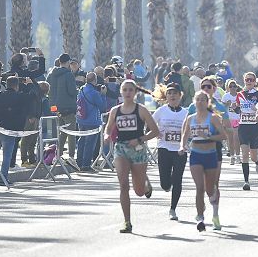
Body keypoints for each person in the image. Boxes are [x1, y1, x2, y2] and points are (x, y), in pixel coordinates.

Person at [104, 80, 160, 234]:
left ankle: (146, 182)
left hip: (138, 149)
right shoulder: (115, 111)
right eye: (125, 90)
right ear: (121, 92)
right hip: (121, 148)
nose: (128, 92)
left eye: (130, 90)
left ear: (135, 92)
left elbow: (155, 131)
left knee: (139, 191)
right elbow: (108, 128)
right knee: (123, 184)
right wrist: (107, 136)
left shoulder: (141, 110)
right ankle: (127, 222)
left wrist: (140, 139)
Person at [180, 90, 227, 232]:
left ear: (207, 103)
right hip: (196, 154)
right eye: (198, 99)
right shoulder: (190, 118)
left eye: (203, 100)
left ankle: (215, 214)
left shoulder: (212, 118)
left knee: (210, 189)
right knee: (199, 187)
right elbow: (185, 135)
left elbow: (223, 136)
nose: (200, 102)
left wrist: (208, 137)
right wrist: (182, 146)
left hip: (211, 154)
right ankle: (200, 217)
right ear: (194, 102)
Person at [152, 85, 188, 221]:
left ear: (180, 95)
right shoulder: (161, 111)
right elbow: (149, 123)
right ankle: (167, 185)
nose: (172, 96)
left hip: (180, 150)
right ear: (166, 96)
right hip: (164, 149)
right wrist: (156, 131)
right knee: (165, 183)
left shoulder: (185, 113)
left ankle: (173, 209)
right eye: (169, 93)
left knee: (177, 180)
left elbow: (191, 128)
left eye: (175, 93)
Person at [0, 76, 29, 183]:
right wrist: (28, 85)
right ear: (17, 86)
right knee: (7, 154)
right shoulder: (19, 96)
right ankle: (3, 177)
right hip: (10, 128)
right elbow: (31, 97)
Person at [47, 53, 79, 162]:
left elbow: (48, 90)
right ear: (68, 62)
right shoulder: (68, 74)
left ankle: (58, 154)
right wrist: (77, 90)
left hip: (54, 107)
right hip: (67, 107)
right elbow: (71, 91)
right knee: (71, 132)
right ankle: (71, 156)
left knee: (62, 131)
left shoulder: (51, 74)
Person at [75, 72, 109, 171]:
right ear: (95, 80)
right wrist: (103, 95)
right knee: (90, 143)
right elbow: (102, 107)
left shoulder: (82, 89)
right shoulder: (94, 93)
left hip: (81, 119)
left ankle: (79, 162)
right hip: (92, 120)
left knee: (81, 141)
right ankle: (86, 164)